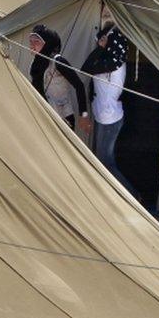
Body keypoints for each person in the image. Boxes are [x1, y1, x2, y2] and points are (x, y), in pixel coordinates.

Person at [82, 21, 139, 199]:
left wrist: (100, 48)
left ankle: (132, 196)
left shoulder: (113, 63)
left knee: (106, 161)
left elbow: (86, 68)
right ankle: (115, 197)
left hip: (110, 116)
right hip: (103, 114)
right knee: (104, 159)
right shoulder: (106, 61)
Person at [28, 25, 90, 132]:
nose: (32, 45)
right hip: (43, 115)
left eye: (36, 42)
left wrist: (83, 115)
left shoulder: (58, 62)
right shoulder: (35, 63)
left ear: (46, 43)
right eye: (31, 41)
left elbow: (79, 85)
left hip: (62, 117)